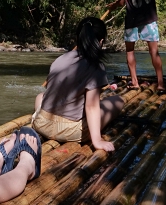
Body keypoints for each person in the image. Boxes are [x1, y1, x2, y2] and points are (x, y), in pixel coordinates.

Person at [32, 17, 124, 153]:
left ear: (77, 38)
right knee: (117, 101)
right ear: (101, 42)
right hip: (69, 131)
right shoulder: (96, 66)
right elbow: (92, 106)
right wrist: (97, 141)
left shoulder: (60, 59)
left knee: (40, 96)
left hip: (41, 123)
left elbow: (51, 91)